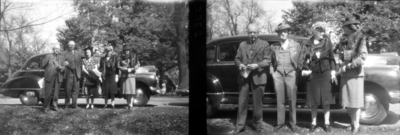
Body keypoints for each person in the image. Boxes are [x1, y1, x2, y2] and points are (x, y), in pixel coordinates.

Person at [233, 23, 271, 133]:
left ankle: (258, 126)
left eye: (254, 32)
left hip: (258, 76)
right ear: (247, 33)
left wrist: (256, 65)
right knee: (242, 102)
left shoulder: (265, 44)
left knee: (257, 103)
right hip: (244, 77)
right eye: (250, 32)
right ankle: (240, 126)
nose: (252, 34)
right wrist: (240, 64)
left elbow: (267, 60)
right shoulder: (242, 44)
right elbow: (237, 59)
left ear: (258, 33)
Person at [299, 27, 337, 133]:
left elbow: (332, 58)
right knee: (313, 100)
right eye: (321, 32)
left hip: (326, 73)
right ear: (315, 32)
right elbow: (302, 59)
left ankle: (327, 123)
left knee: (326, 100)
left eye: (324, 32)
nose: (323, 34)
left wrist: (333, 71)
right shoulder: (307, 44)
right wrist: (303, 70)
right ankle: (313, 123)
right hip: (313, 73)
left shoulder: (327, 42)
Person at [338, 16, 368, 133]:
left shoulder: (360, 39)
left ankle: (356, 125)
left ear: (350, 27)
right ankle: (352, 123)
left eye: (345, 26)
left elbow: (363, 57)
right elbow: (342, 55)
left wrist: (349, 66)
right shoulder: (343, 39)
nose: (343, 28)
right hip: (345, 75)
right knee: (349, 102)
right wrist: (341, 61)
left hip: (355, 74)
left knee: (355, 102)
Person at [270, 22, 301, 132]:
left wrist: (296, 71)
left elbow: (300, 59)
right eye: (280, 32)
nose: (282, 33)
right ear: (278, 33)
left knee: (291, 99)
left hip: (291, 73)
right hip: (278, 74)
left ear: (288, 33)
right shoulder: (274, 47)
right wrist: (273, 73)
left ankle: (293, 123)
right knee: (280, 99)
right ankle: (280, 122)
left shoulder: (295, 45)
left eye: (285, 31)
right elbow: (270, 61)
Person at [41, 46, 65, 112]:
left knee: (56, 93)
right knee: (48, 93)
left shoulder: (62, 57)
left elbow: (64, 67)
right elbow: (43, 66)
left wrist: (61, 68)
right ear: (53, 49)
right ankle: (46, 107)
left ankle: (55, 106)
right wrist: (49, 69)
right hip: (49, 76)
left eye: (58, 49)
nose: (57, 50)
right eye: (56, 48)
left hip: (59, 76)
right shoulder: (48, 56)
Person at [63, 41, 84, 109]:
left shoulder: (78, 53)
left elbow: (80, 63)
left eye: (73, 45)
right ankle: (67, 104)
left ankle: (74, 105)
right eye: (70, 45)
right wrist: (64, 62)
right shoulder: (64, 53)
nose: (71, 46)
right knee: (68, 89)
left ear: (74, 46)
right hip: (68, 72)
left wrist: (80, 73)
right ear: (68, 46)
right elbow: (61, 62)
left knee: (76, 90)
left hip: (77, 73)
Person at [118, 45, 140, 109]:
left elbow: (138, 64)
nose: (126, 51)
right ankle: (128, 104)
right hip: (124, 76)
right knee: (127, 92)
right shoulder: (121, 57)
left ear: (129, 50)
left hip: (132, 75)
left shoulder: (134, 56)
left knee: (131, 91)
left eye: (127, 50)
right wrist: (125, 69)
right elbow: (118, 65)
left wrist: (133, 69)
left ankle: (131, 104)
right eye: (125, 50)